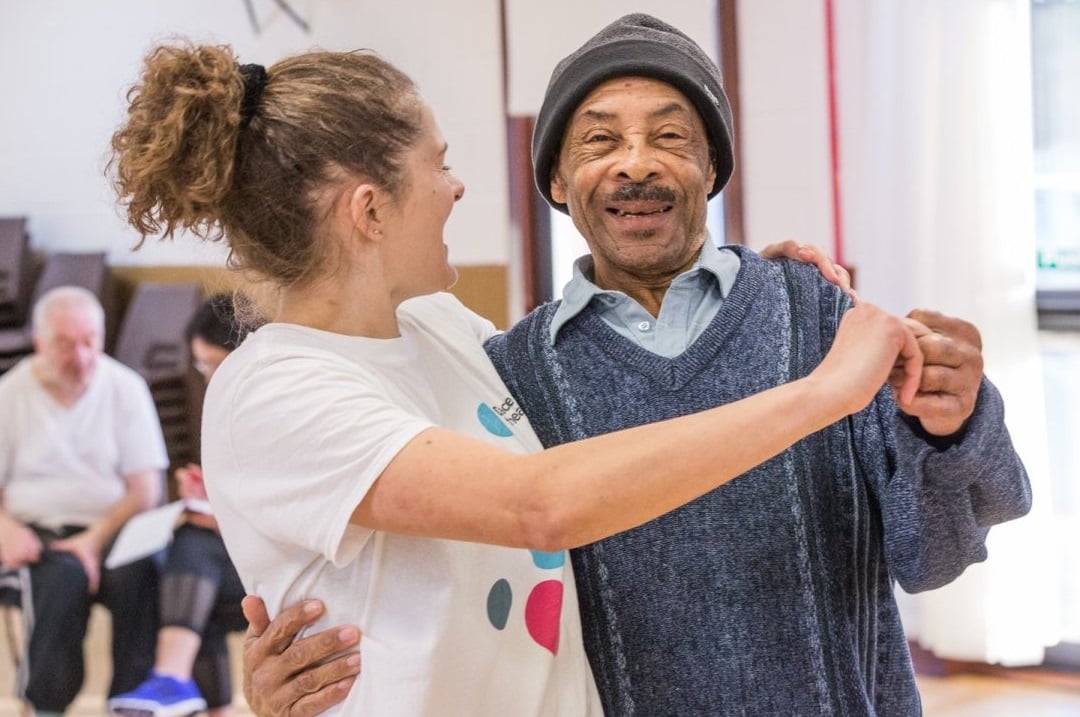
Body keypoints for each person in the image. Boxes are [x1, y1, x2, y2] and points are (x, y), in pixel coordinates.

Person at [243, 13, 1033, 717]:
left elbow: (936, 556)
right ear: (557, 180)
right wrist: (284, 681)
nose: (635, 164)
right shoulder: (512, 376)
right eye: (598, 140)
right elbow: (451, 571)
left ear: (712, 169)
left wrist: (953, 424)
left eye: (670, 135)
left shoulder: (822, 317)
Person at [0, 286, 167, 716]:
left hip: (113, 527)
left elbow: (145, 489)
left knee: (140, 573)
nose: (81, 356)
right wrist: (6, 529)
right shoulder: (9, 394)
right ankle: (43, 705)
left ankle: (130, 704)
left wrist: (93, 541)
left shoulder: (126, 388)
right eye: (65, 344)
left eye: (90, 341)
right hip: (37, 530)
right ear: (38, 342)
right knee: (63, 577)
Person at [109, 294, 258, 717]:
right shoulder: (229, 405)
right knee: (187, 581)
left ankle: (171, 678)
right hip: (237, 556)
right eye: (202, 366)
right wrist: (209, 495)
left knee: (192, 549)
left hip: (287, 561)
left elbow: (288, 511)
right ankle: (186, 691)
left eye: (212, 364)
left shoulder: (275, 406)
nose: (208, 377)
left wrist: (216, 515)